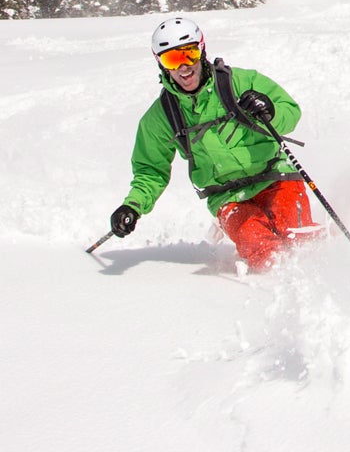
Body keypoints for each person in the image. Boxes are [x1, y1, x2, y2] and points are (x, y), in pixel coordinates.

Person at [107, 16, 315, 271]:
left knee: (299, 238)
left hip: (274, 177)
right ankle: (283, 289)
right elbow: (150, 170)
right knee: (263, 248)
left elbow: (290, 111)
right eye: (172, 59)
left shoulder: (238, 83)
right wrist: (133, 206)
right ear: (161, 64)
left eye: (189, 53)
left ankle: (335, 269)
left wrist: (269, 110)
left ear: (202, 50)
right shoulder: (161, 117)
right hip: (227, 197)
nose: (184, 66)